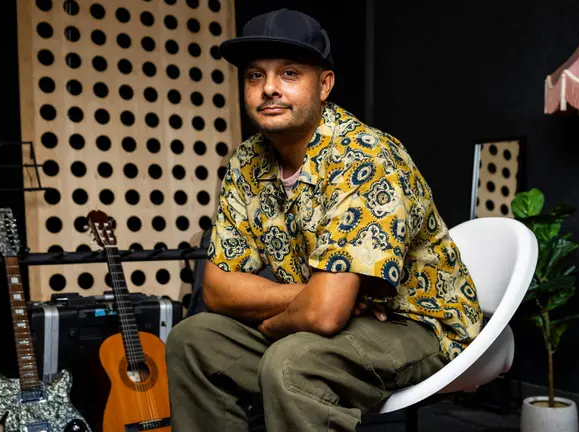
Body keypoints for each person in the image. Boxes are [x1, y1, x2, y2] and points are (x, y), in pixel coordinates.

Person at [165, 8, 483, 431]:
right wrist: (312, 296)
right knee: (192, 341)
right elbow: (218, 289)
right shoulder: (246, 163)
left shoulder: (364, 156)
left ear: (325, 84)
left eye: (289, 73)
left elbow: (325, 315)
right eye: (255, 76)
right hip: (321, 319)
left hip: (417, 325)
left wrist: (283, 320)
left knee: (293, 363)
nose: (269, 88)